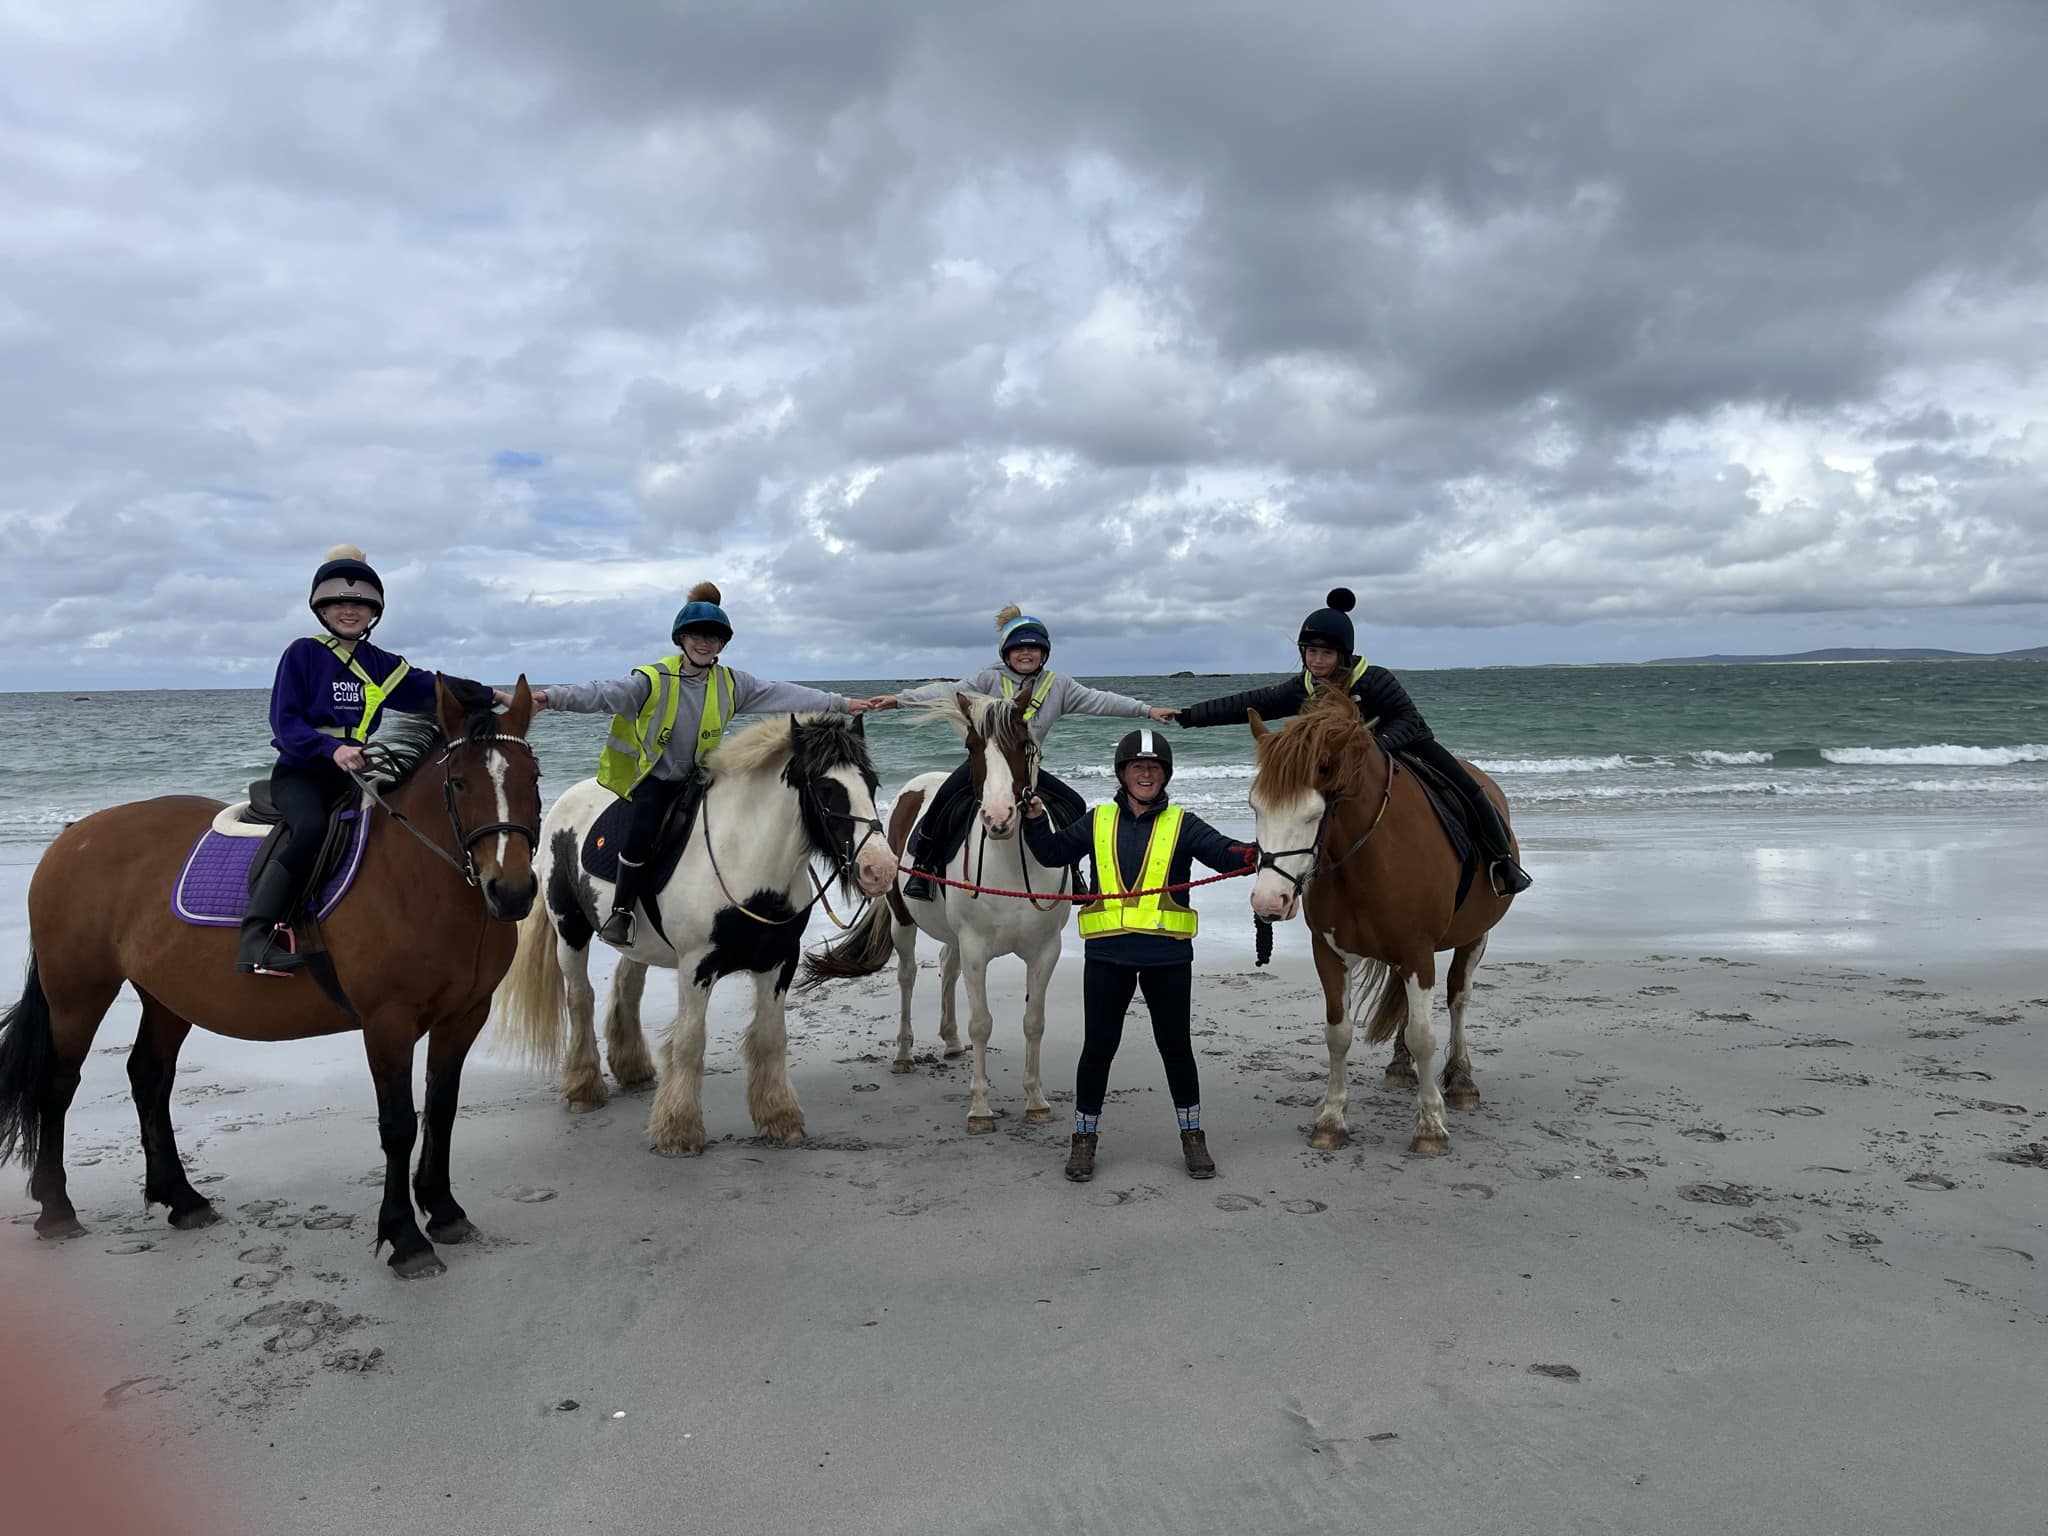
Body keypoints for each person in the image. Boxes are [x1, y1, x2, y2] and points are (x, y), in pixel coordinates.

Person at [517, 581, 888, 947]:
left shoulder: (731, 682)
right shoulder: (654, 679)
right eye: (696, 634)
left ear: (722, 644)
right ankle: (622, 910)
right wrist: (550, 698)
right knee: (642, 829)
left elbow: (783, 693)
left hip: (703, 777)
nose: (704, 642)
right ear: (681, 638)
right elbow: (602, 694)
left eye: (713, 637)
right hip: (657, 779)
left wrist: (842, 703)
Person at [1177, 587, 1532, 896]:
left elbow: (1411, 721)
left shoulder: (1374, 680)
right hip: (1342, 766)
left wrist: (1375, 746)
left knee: (1467, 786)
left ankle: (1503, 862)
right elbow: (1248, 703)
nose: (1317, 661)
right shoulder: (1304, 686)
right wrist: (1187, 716)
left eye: (1326, 654)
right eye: (1310, 652)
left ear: (1343, 655)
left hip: (1402, 748)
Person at [245, 544, 495, 975]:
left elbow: (429, 686)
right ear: (321, 609)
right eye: (339, 603)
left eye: (360, 604)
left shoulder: (377, 663)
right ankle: (257, 936)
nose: (349, 610)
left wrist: (491, 696)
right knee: (309, 830)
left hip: (357, 773)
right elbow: (284, 724)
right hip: (303, 772)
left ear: (373, 612)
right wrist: (332, 748)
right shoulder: (302, 654)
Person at [1021, 729, 1256, 1183]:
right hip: (1107, 957)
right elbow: (1050, 854)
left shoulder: (1183, 824)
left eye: (1154, 768)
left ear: (1165, 775)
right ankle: (1083, 1141)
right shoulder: (1096, 820)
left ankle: (1192, 1137)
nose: (1146, 774)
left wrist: (1259, 852)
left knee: (1176, 1050)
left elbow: (1226, 854)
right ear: (1122, 773)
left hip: (1166, 958)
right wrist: (1034, 819)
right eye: (1137, 767)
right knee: (1098, 1050)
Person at [882, 604, 1177, 900]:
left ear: (1044, 653)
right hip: (987, 766)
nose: (1026, 654)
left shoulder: (1058, 686)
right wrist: (898, 700)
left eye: (1034, 649)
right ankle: (924, 865)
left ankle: (1072, 870)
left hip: (1026, 770)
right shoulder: (988, 680)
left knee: (1074, 804)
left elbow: (1101, 701)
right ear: (1005, 654)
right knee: (943, 801)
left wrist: (1146, 710)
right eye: (1017, 649)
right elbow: (944, 693)